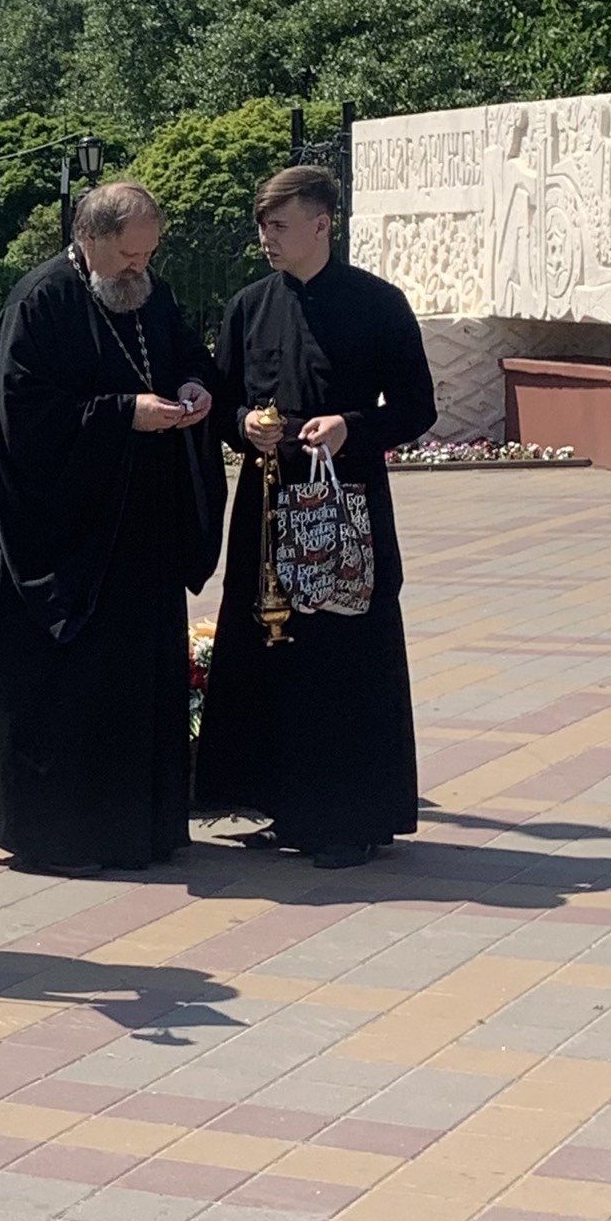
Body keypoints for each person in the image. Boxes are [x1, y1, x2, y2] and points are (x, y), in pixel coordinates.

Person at [0, 182, 226, 875]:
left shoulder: (150, 292)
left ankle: (141, 830)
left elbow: (186, 354)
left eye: (148, 255)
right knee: (72, 690)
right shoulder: (40, 301)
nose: (141, 268)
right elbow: (24, 416)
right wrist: (124, 413)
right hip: (65, 538)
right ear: (90, 239)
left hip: (142, 529)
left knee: (137, 685)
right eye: (130, 256)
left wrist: (194, 387)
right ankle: (66, 839)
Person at [194, 163, 437, 867]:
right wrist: (245, 424)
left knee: (343, 655)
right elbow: (221, 402)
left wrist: (349, 427)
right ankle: (282, 805)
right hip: (268, 509)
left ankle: (350, 820)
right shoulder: (248, 307)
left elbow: (417, 408)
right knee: (270, 649)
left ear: (321, 225)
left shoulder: (378, 304)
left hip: (345, 505)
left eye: (278, 225)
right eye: (261, 226)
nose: (265, 238)